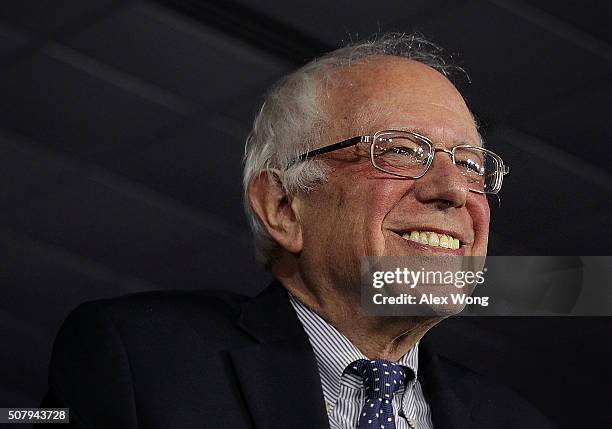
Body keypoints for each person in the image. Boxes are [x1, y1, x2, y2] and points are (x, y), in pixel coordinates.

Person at [39, 33, 556, 428]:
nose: (454, 190)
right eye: (400, 150)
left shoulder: (515, 420)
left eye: (470, 164)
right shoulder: (143, 360)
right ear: (283, 206)